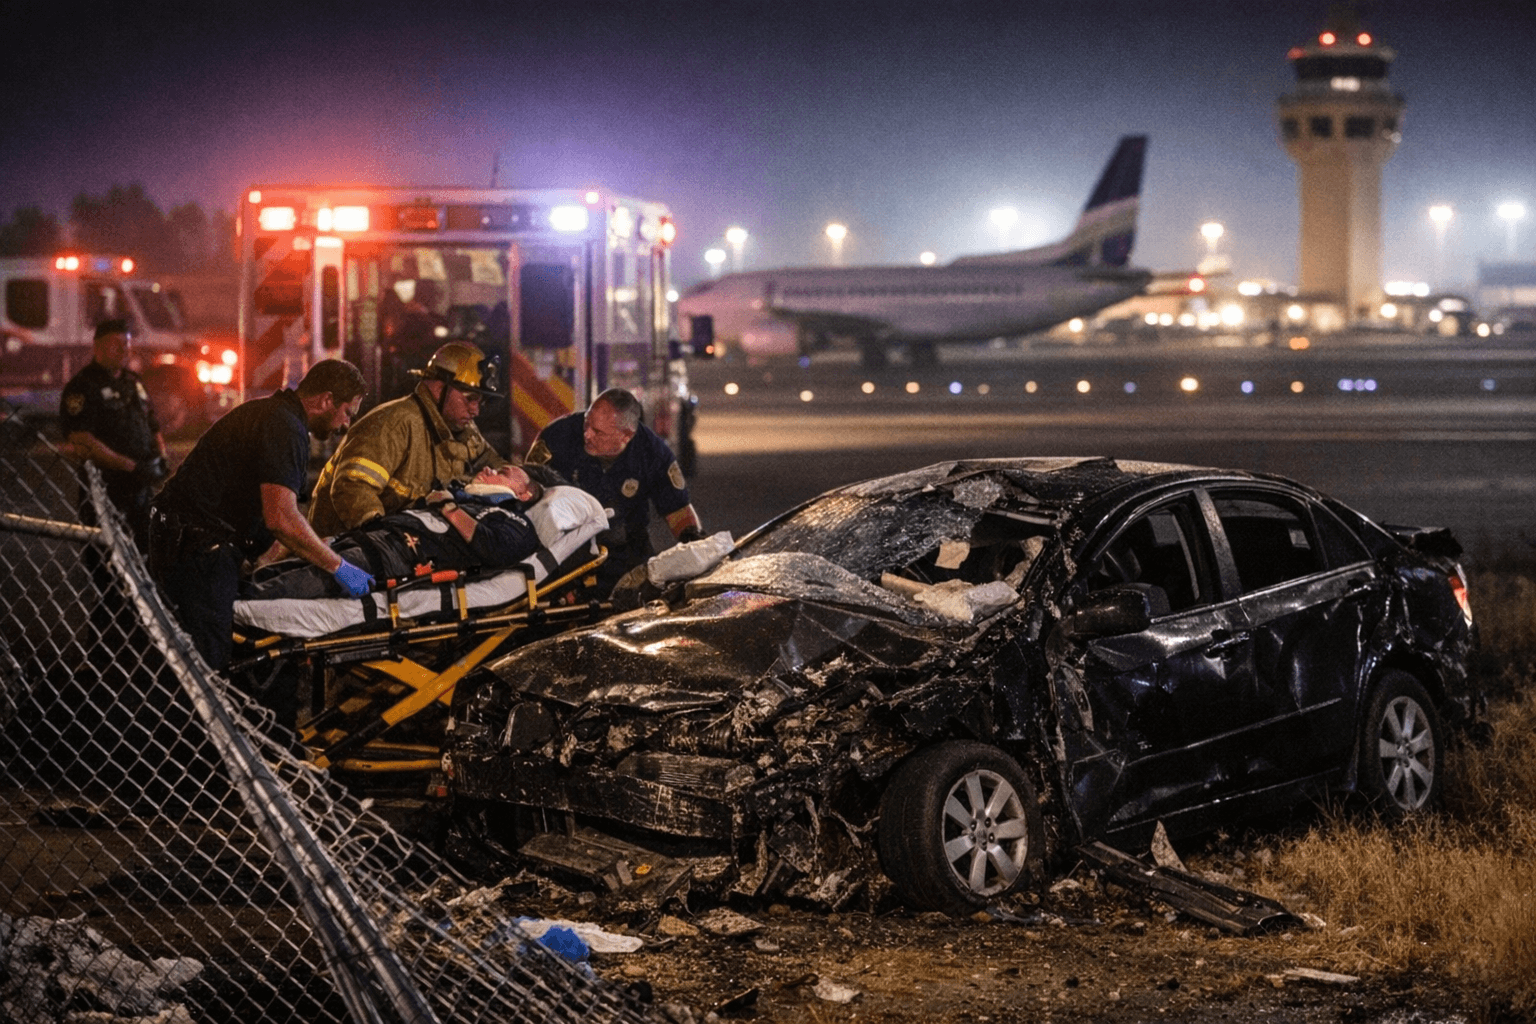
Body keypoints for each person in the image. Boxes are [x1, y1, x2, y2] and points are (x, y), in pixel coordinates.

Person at [149, 359, 369, 672]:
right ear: (327, 400)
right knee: (204, 668)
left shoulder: (272, 414)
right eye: (348, 412)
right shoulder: (285, 427)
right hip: (199, 552)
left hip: (190, 542)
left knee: (188, 659)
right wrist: (338, 566)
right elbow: (281, 518)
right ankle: (198, 721)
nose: (346, 425)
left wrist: (261, 557)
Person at [244, 463, 558, 601]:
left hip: (382, 563)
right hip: (363, 547)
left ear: (524, 495)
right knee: (260, 581)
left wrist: (449, 507)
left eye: (504, 472)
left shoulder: (514, 522)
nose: (490, 469)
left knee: (257, 597)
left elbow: (496, 549)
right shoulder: (464, 500)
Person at [308, 341, 508, 538]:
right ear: (439, 389)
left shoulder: (463, 432)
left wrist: (528, 484)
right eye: (470, 398)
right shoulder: (395, 424)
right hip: (341, 550)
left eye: (480, 401)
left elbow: (498, 468)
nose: (476, 410)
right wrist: (387, 543)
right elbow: (353, 488)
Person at [525, 387, 702, 596]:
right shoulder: (557, 437)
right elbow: (525, 496)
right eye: (586, 423)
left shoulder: (652, 452)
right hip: (565, 549)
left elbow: (678, 511)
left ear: (626, 435)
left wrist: (696, 546)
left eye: (598, 432)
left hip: (627, 549)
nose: (587, 435)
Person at [59, 319, 168, 549]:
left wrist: (161, 458)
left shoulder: (133, 381)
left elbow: (152, 425)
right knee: (106, 556)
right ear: (97, 347)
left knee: (146, 552)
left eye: (127, 343)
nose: (123, 349)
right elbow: (81, 440)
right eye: (115, 343)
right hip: (105, 488)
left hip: (141, 489)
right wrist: (130, 466)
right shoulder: (83, 386)